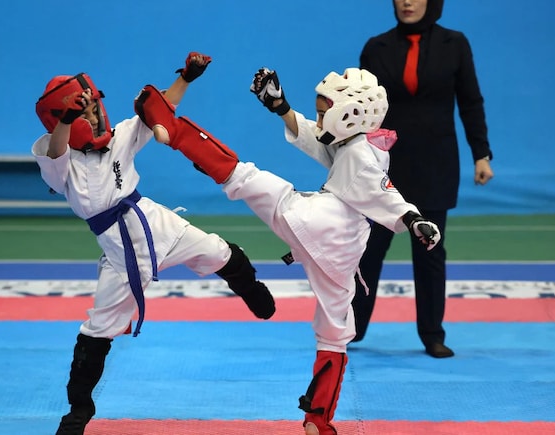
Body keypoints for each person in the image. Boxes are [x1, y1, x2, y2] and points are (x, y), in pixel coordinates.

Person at [133, 66, 442, 435]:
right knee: (334, 333)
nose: (321, 117)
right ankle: (318, 419)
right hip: (343, 252)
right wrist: (281, 107)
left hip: (316, 222)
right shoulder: (355, 142)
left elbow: (386, 192)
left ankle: (172, 128)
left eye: (326, 110)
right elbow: (321, 141)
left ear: (351, 113)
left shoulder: (363, 157)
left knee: (241, 176)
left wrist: (413, 219)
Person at [32, 52, 276, 435]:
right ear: (60, 119)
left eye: (94, 106)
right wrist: (67, 119)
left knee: (220, 252)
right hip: (119, 254)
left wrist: (187, 78)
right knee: (97, 331)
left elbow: (161, 108)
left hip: (154, 223)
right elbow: (56, 148)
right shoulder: (59, 161)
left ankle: (250, 287)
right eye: (83, 112)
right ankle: (78, 411)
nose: (93, 116)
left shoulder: (120, 138)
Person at [352, 0, 494, 358]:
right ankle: (351, 328)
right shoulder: (376, 47)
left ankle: (433, 335)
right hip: (384, 167)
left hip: (436, 165)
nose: (407, 2)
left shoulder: (455, 44)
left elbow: (470, 100)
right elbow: (357, 108)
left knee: (430, 253)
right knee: (369, 251)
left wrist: (482, 154)